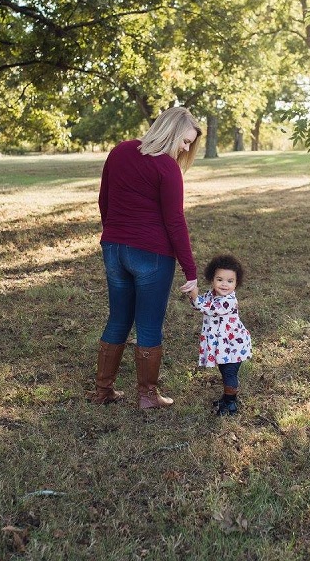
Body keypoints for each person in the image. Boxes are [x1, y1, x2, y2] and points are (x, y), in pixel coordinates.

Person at [92, 106, 202, 409]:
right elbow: (175, 222)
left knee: (118, 318)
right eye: (185, 141)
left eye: (190, 143)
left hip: (114, 248)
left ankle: (103, 390)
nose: (186, 148)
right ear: (171, 131)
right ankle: (148, 395)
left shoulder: (120, 151)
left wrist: (114, 233)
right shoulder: (167, 168)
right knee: (149, 324)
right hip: (152, 255)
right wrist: (190, 272)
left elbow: (105, 200)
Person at [187, 254, 252, 416]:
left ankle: (231, 404)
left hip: (233, 346)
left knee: (229, 373)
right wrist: (193, 296)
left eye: (230, 281)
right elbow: (200, 304)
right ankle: (227, 397)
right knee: (224, 371)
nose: (224, 284)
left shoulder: (228, 301)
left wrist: (195, 297)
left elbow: (208, 308)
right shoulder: (212, 294)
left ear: (236, 283)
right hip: (223, 345)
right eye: (220, 279)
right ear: (212, 279)